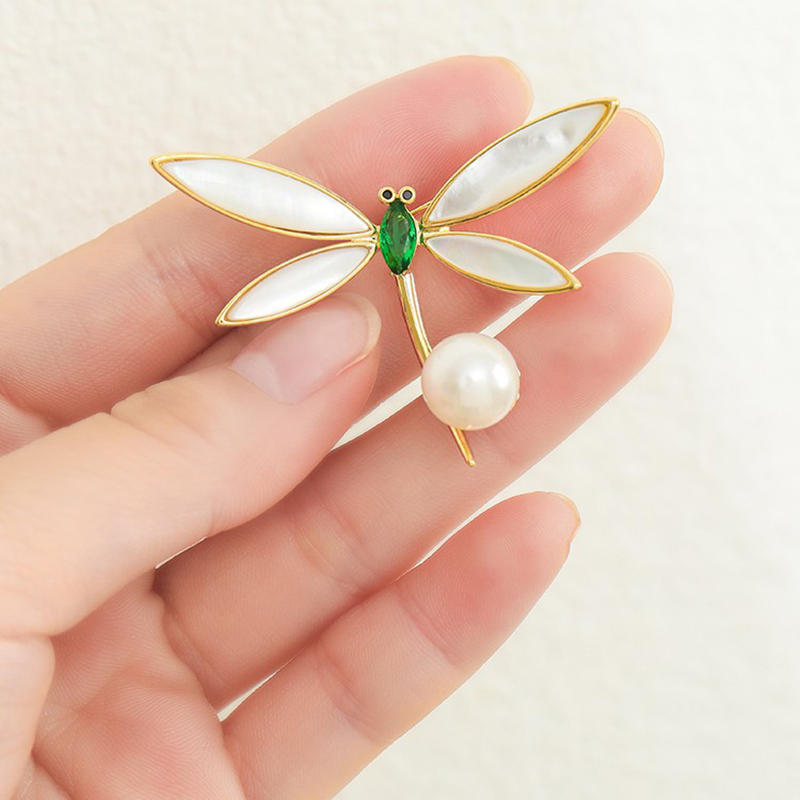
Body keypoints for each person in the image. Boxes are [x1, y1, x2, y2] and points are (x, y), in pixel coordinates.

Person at [0, 56, 670, 799]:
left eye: (398, 206)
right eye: (399, 205)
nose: (398, 212)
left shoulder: (379, 232)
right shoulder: (410, 229)